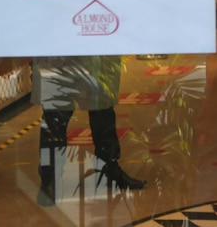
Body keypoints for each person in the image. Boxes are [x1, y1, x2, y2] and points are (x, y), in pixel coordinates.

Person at [32, 55, 146, 206]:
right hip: (62, 53)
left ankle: (109, 169)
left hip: (96, 50)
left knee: (103, 112)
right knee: (55, 117)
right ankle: (49, 179)